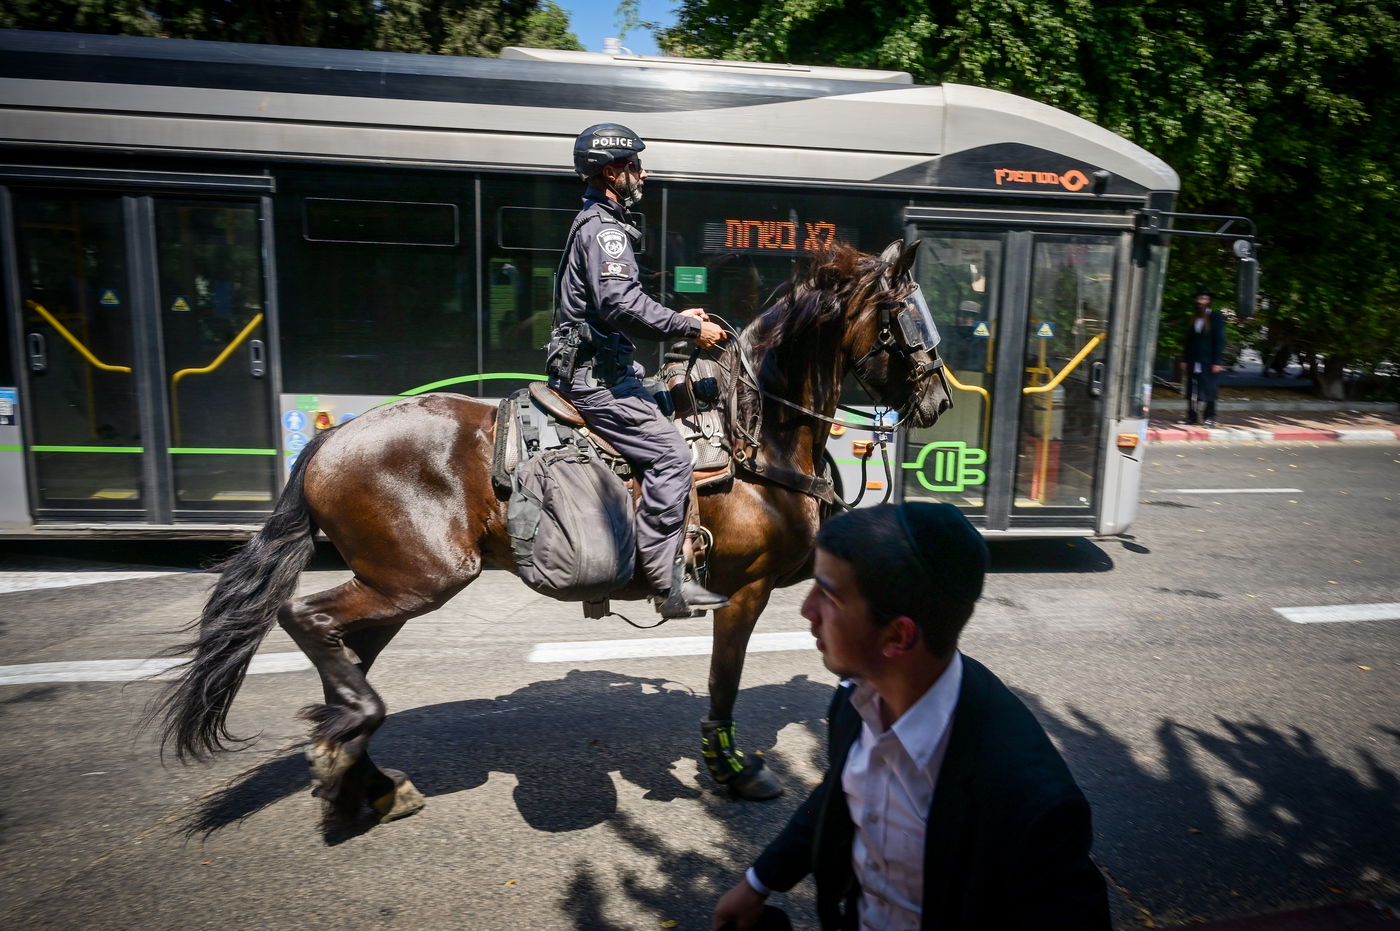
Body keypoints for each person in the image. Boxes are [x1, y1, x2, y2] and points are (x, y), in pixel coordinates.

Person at [712, 502, 1111, 930]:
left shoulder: (1030, 802)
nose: (807, 610)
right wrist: (758, 882)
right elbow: (843, 790)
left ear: (898, 636)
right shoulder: (856, 698)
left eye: (828, 595)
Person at [549, 122, 729, 619]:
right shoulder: (605, 230)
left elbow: (617, 302)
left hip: (598, 371)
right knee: (672, 455)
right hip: (599, 381)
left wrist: (678, 317)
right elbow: (621, 304)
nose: (642, 173)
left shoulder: (597, 221)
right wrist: (690, 329)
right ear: (612, 172)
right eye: (634, 165)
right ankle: (665, 581)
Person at [1178, 288, 1227, 427]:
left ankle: (1209, 417)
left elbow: (1219, 340)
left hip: (1209, 361)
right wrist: (1185, 359)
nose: (1201, 301)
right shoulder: (1194, 317)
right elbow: (1189, 341)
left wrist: (1217, 362)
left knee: (1210, 389)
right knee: (1191, 389)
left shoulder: (1215, 317)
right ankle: (1191, 416)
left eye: (1204, 299)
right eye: (1199, 298)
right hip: (1193, 359)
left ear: (1209, 301)